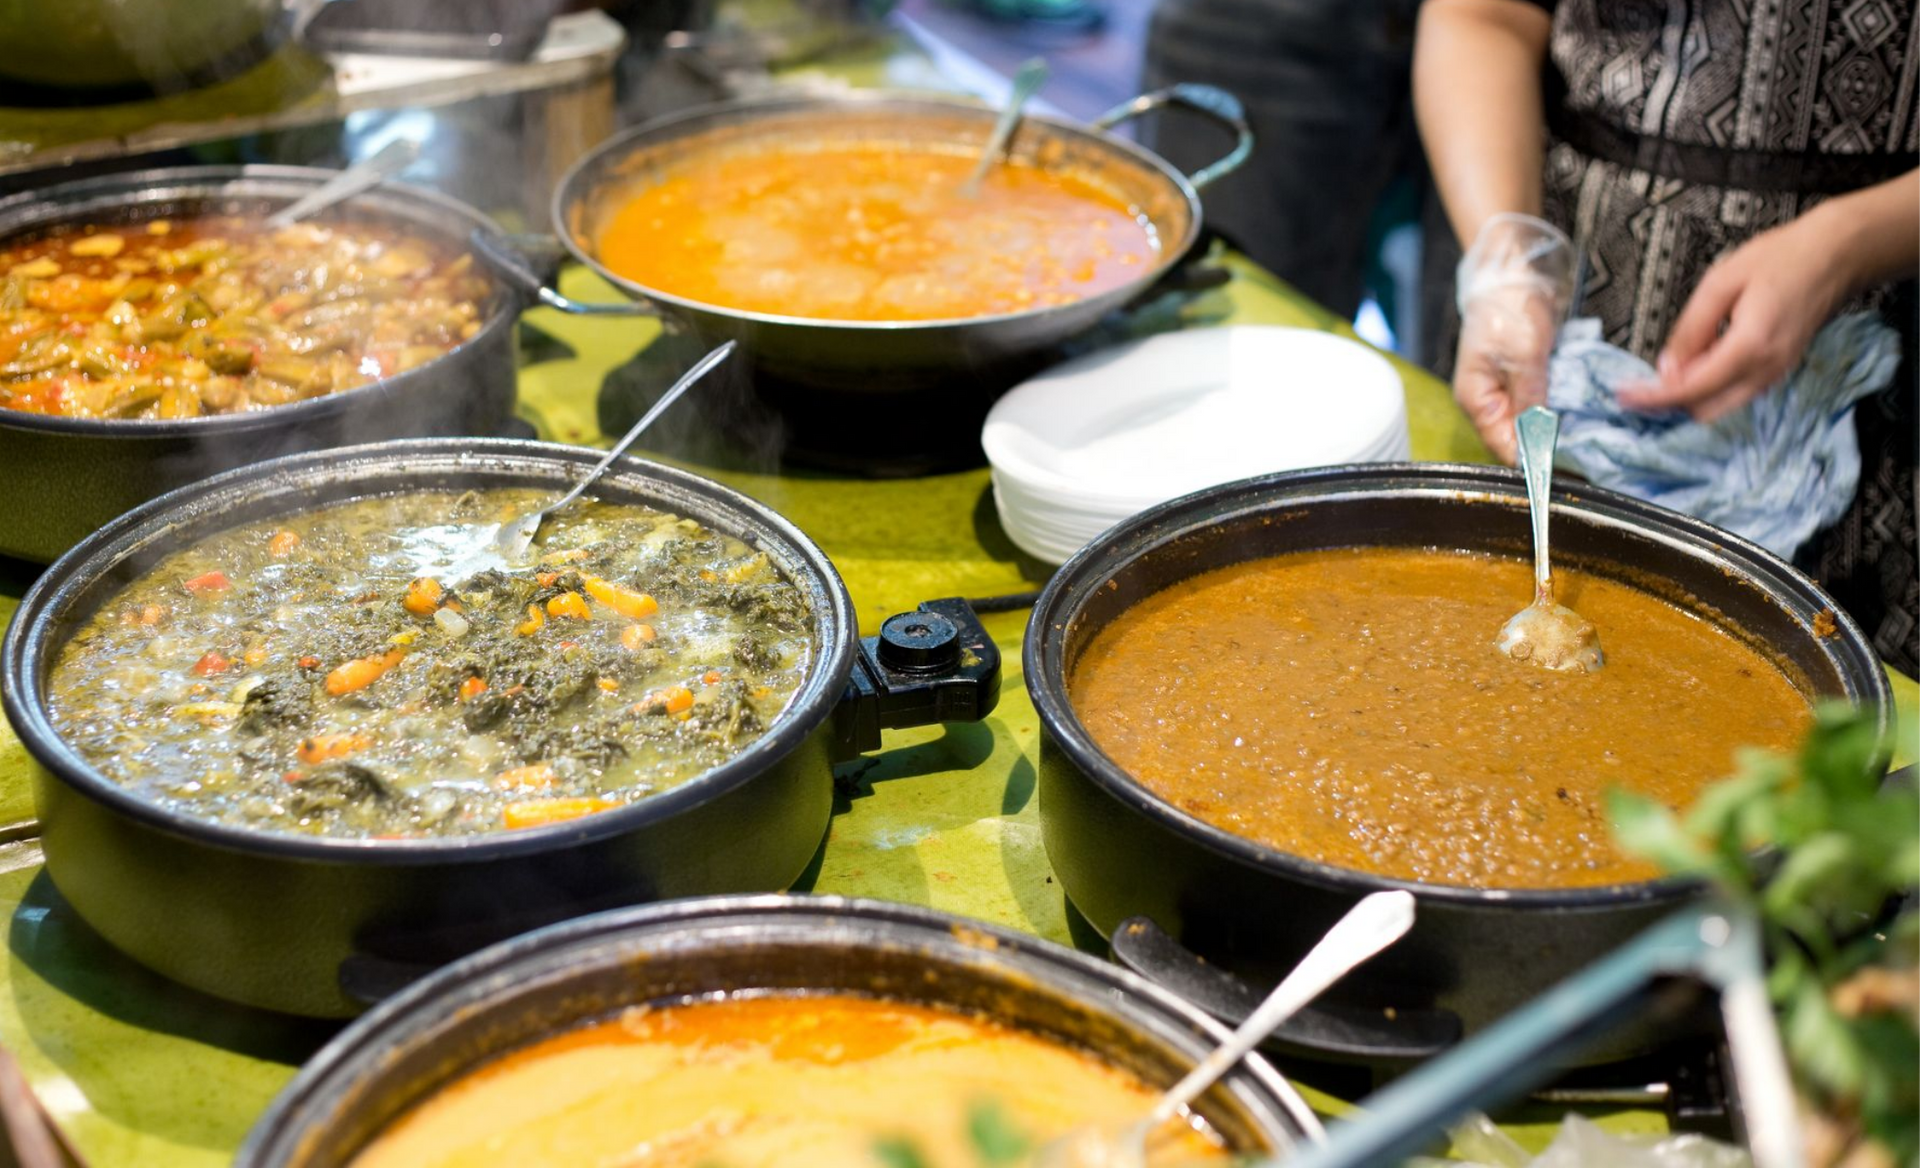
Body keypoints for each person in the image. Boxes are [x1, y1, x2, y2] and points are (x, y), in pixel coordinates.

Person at [1414, 0, 1920, 670]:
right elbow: (1480, 17)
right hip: (1562, 282)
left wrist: (1849, 245)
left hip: (1880, 366)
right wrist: (1507, 263)